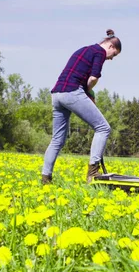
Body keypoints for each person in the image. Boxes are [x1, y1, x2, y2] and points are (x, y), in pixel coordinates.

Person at [41, 29, 121, 185]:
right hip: (71, 92)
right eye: (114, 54)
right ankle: (93, 174)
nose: (112, 58)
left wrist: (87, 94)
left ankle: (45, 179)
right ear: (110, 46)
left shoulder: (83, 49)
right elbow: (93, 78)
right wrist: (87, 91)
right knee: (103, 128)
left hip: (57, 94)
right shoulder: (100, 53)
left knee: (57, 139)